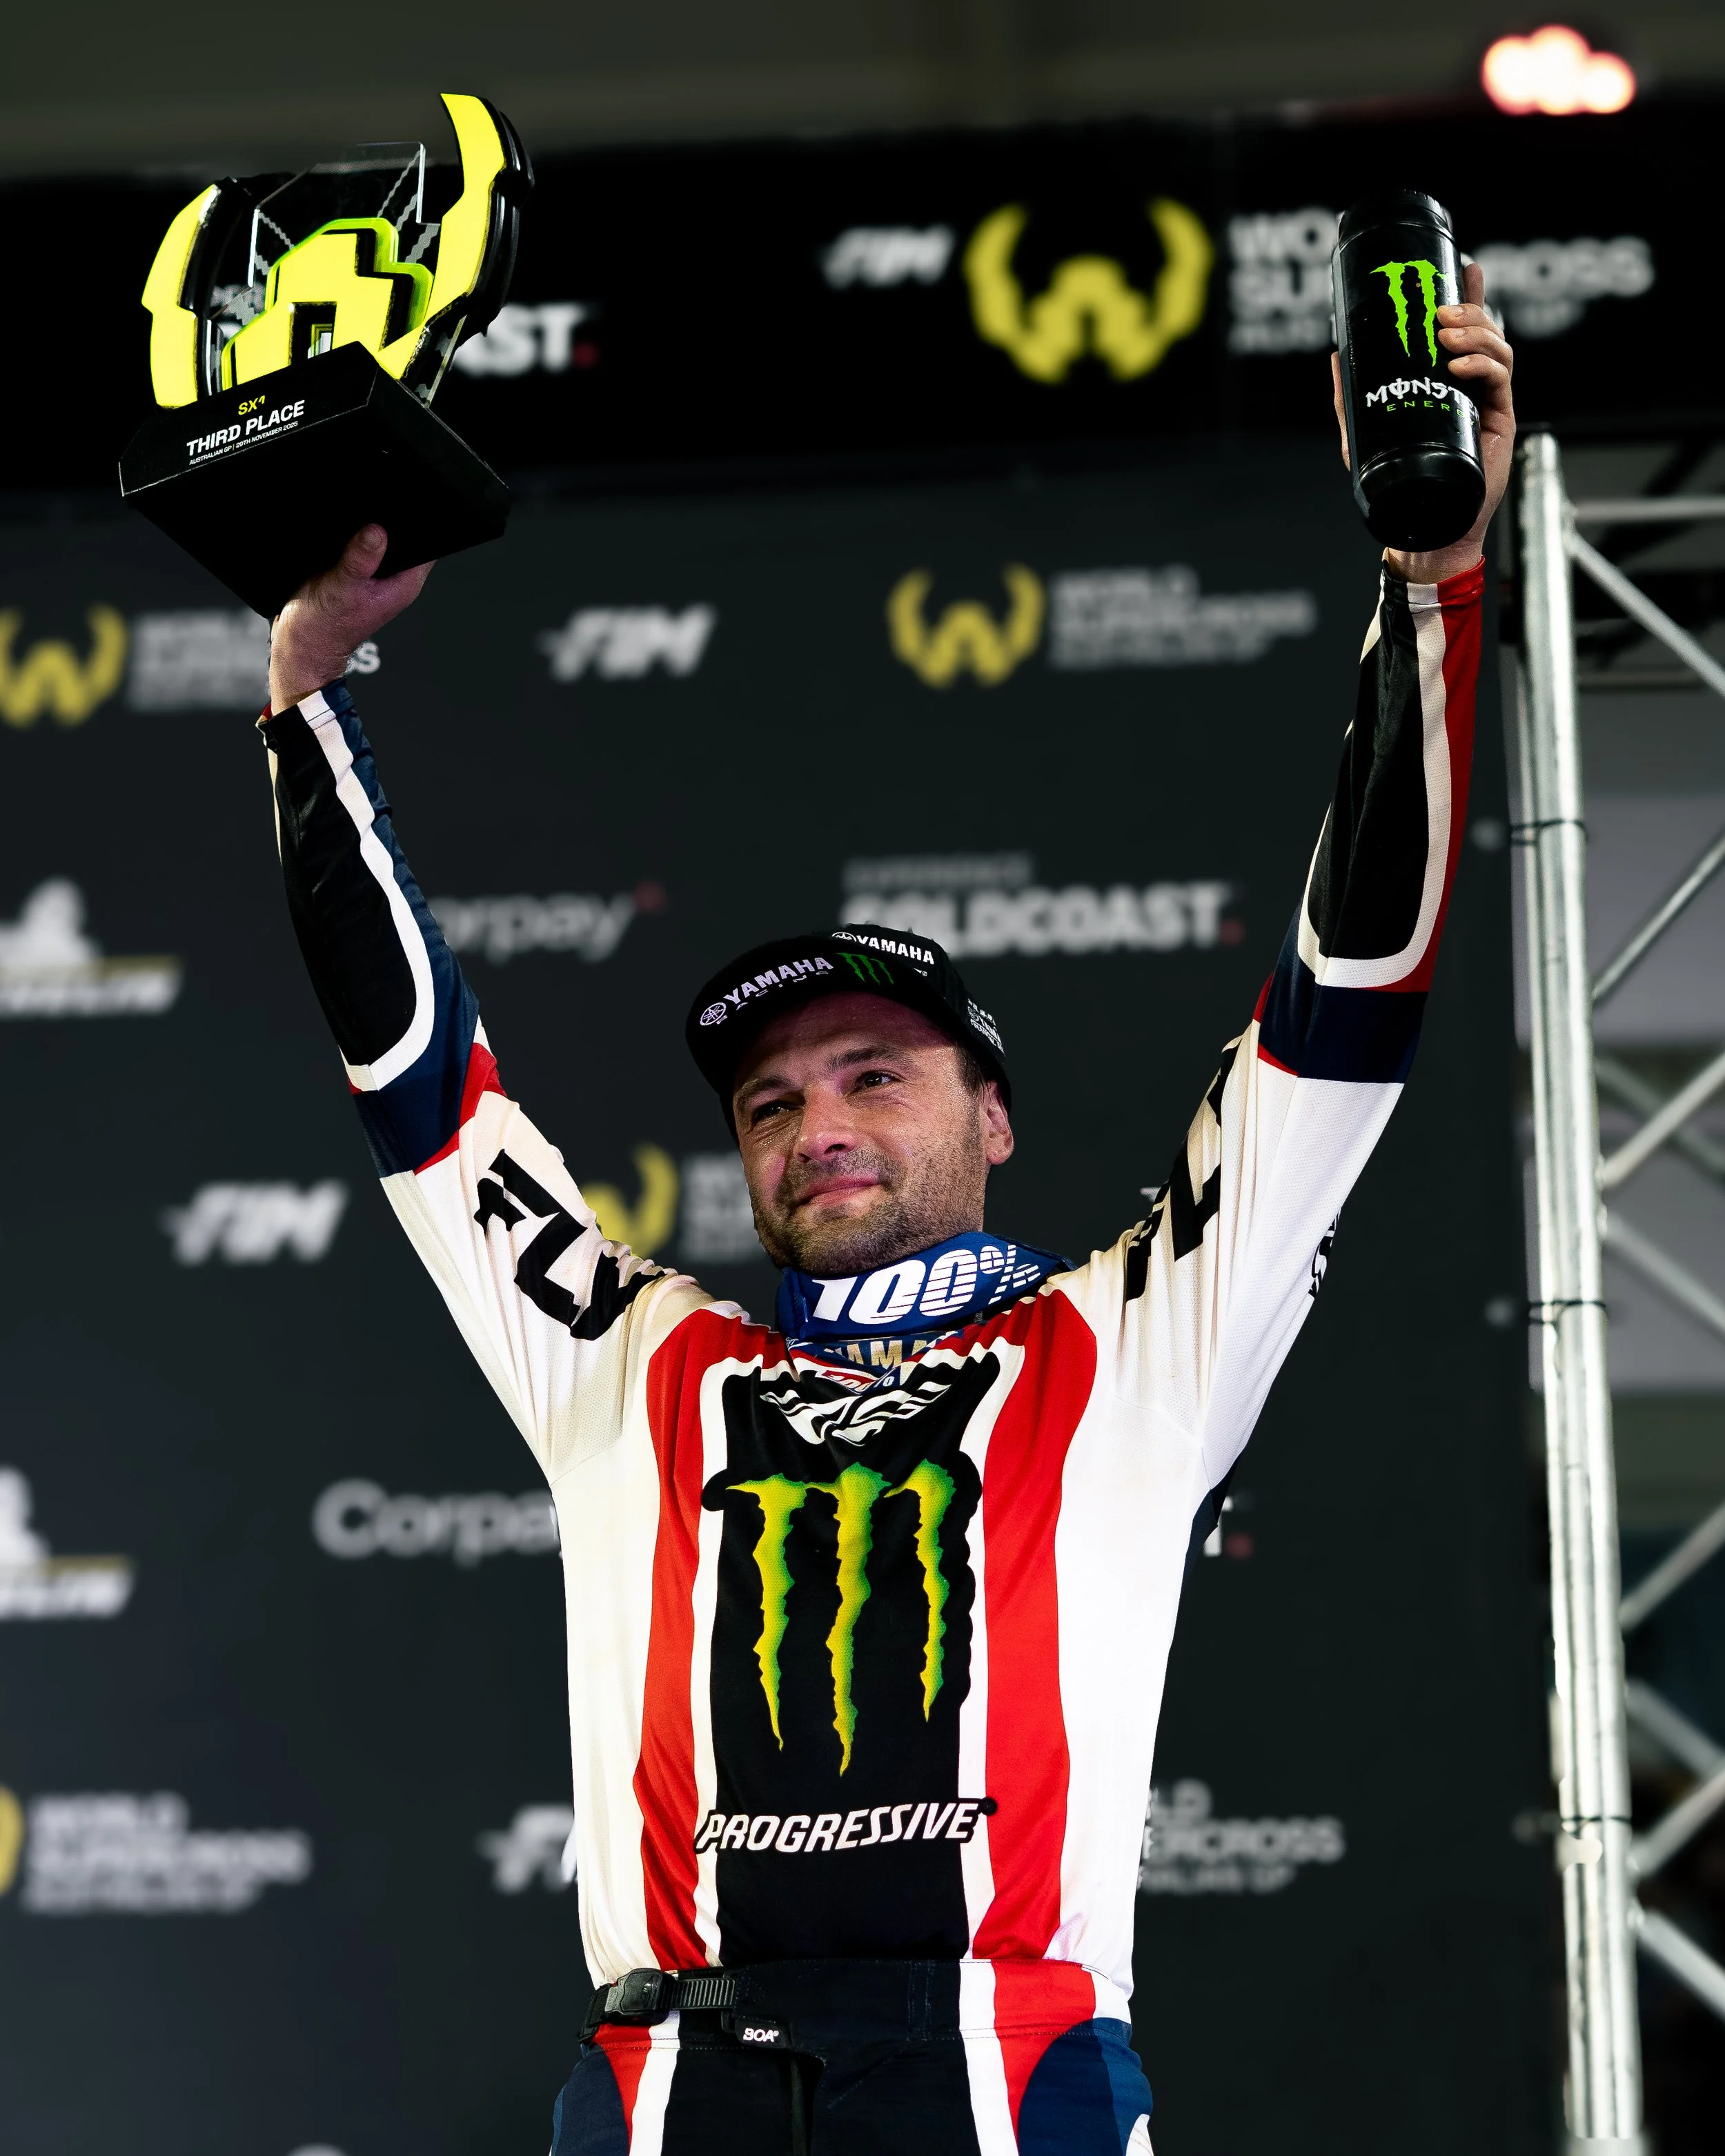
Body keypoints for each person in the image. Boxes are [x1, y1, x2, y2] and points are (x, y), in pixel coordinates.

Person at [259, 270, 1514, 2156]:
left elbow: (1345, 1004)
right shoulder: (634, 1367)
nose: (816, 1124)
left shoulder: (1129, 1338)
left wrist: (1430, 587)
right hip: (665, 2079)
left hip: (1004, 2066)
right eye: (770, 1103)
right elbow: (427, 1099)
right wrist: (307, 703)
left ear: (992, 1117)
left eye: (874, 1075)